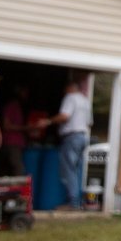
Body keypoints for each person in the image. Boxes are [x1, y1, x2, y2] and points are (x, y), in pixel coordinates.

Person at [41, 79, 91, 210]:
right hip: (83, 137)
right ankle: (79, 201)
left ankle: (73, 203)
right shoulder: (85, 100)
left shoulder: (70, 98)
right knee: (77, 169)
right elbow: (89, 122)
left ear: (69, 88)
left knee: (68, 169)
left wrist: (48, 121)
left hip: (72, 137)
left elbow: (65, 116)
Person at [0, 82, 31, 177]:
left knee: (9, 168)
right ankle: (18, 191)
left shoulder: (19, 107)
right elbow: (6, 125)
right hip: (11, 142)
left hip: (17, 143)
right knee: (17, 168)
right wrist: (25, 128)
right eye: (24, 92)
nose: (26, 95)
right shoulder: (11, 106)